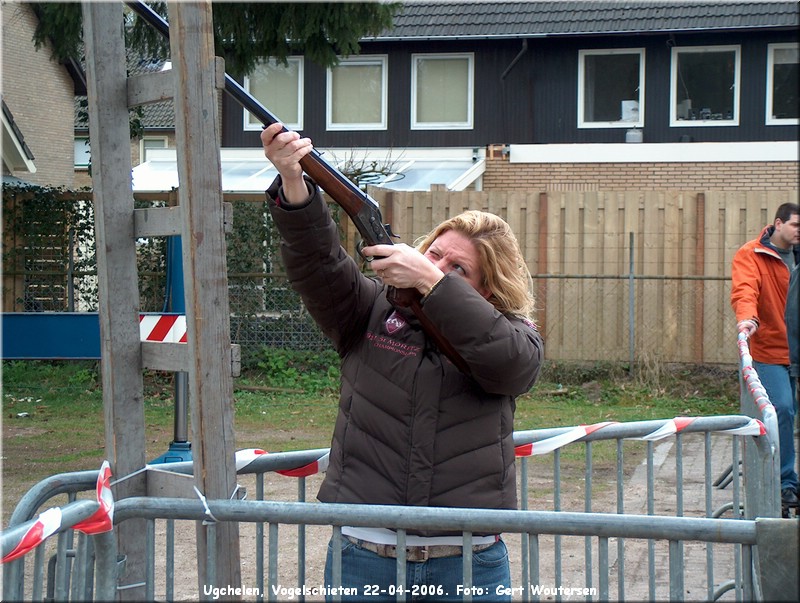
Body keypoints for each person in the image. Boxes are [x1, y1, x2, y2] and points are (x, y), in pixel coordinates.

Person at [261, 122, 544, 601]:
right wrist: (293, 182)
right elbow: (319, 266)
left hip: (467, 564)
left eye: (458, 269)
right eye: (434, 255)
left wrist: (433, 285)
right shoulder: (370, 311)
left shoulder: (512, 335)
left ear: (488, 289)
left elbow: (510, 365)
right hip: (362, 557)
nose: (438, 269)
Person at [731, 202, 800, 509]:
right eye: (796, 225)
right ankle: (785, 482)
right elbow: (745, 290)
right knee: (782, 409)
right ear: (778, 224)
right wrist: (747, 319)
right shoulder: (753, 253)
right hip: (770, 349)